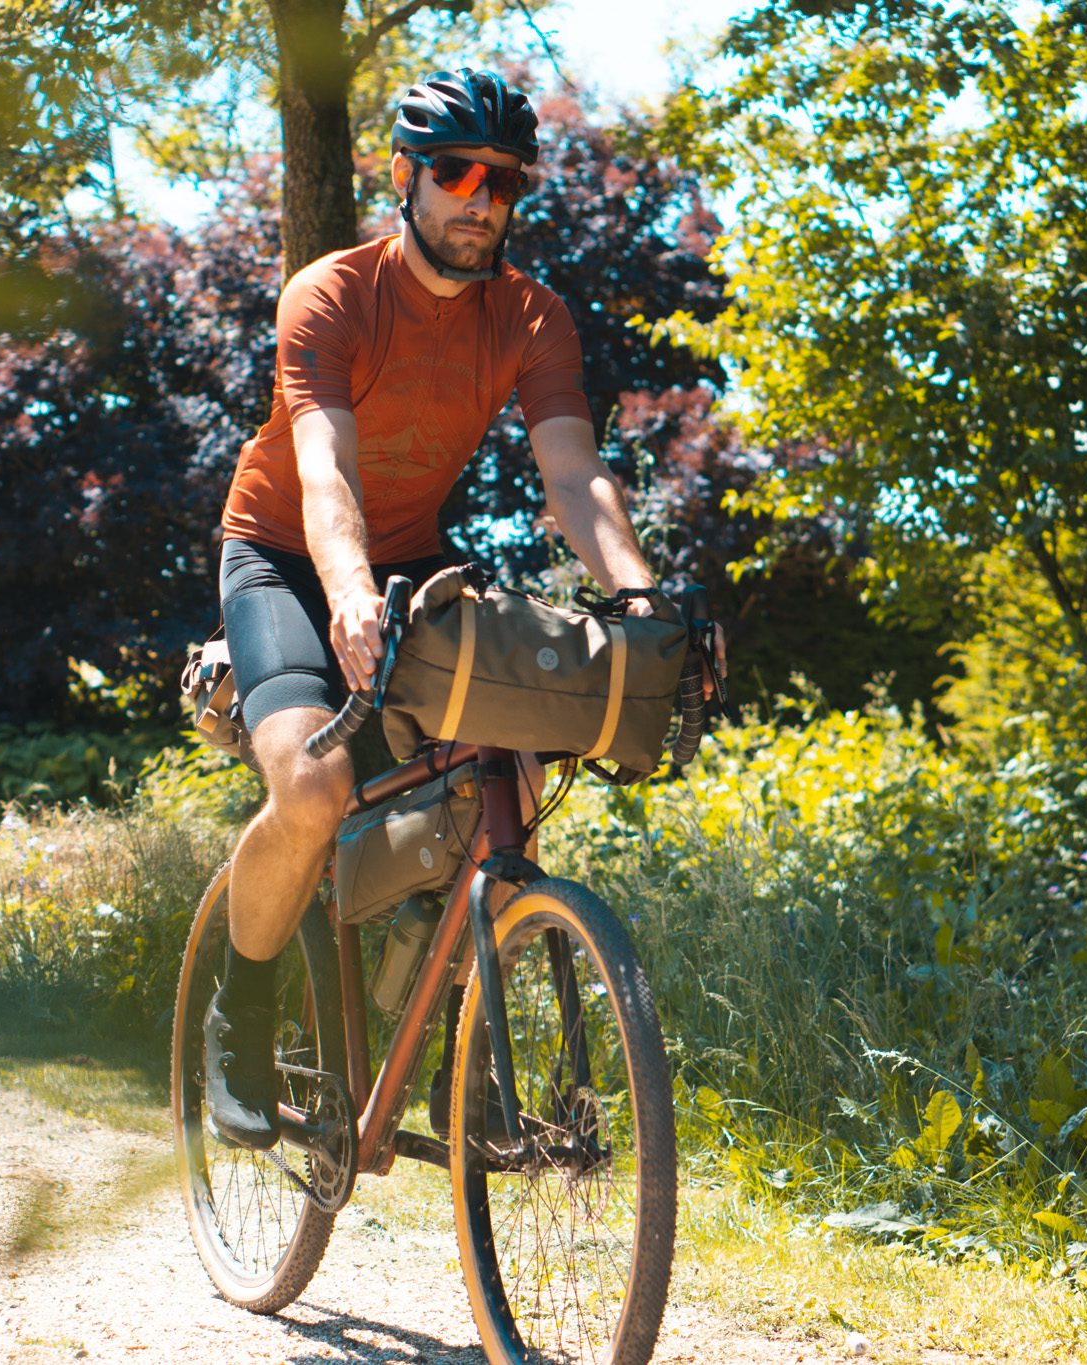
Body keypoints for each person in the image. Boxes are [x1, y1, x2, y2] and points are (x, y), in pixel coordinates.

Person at [205, 67, 710, 1149]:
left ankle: (460, 1059)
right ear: (404, 176)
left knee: (511, 771)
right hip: (286, 554)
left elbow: (572, 477)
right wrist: (343, 597)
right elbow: (326, 474)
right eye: (452, 173)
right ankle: (237, 1016)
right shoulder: (332, 294)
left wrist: (641, 598)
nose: (477, 198)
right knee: (309, 787)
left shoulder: (531, 316)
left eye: (500, 180)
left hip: (410, 561)